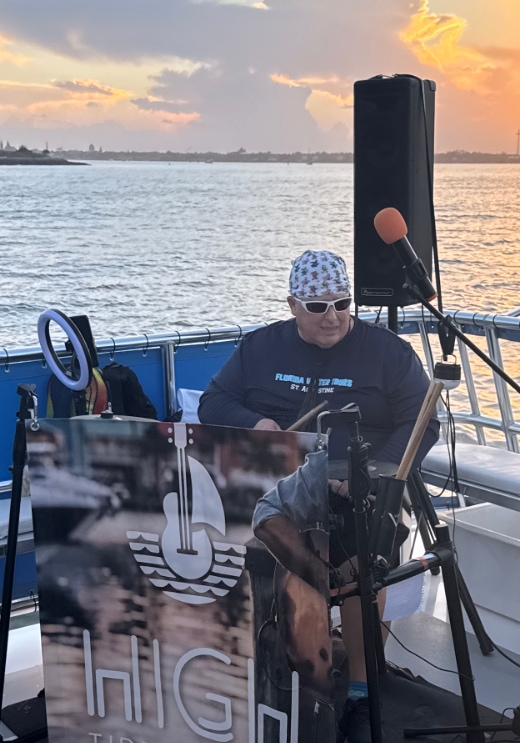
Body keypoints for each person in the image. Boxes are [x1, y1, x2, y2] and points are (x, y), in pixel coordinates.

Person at [199, 249, 440, 742]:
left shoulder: (389, 354)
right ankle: (247, 660)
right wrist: (258, 424)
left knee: (362, 557)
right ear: (292, 305)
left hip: (359, 484)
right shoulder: (260, 348)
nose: (332, 316)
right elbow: (213, 401)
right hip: (281, 483)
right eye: (317, 307)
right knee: (231, 537)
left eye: (342, 303)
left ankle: (358, 687)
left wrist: (372, 474)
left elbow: (422, 421)